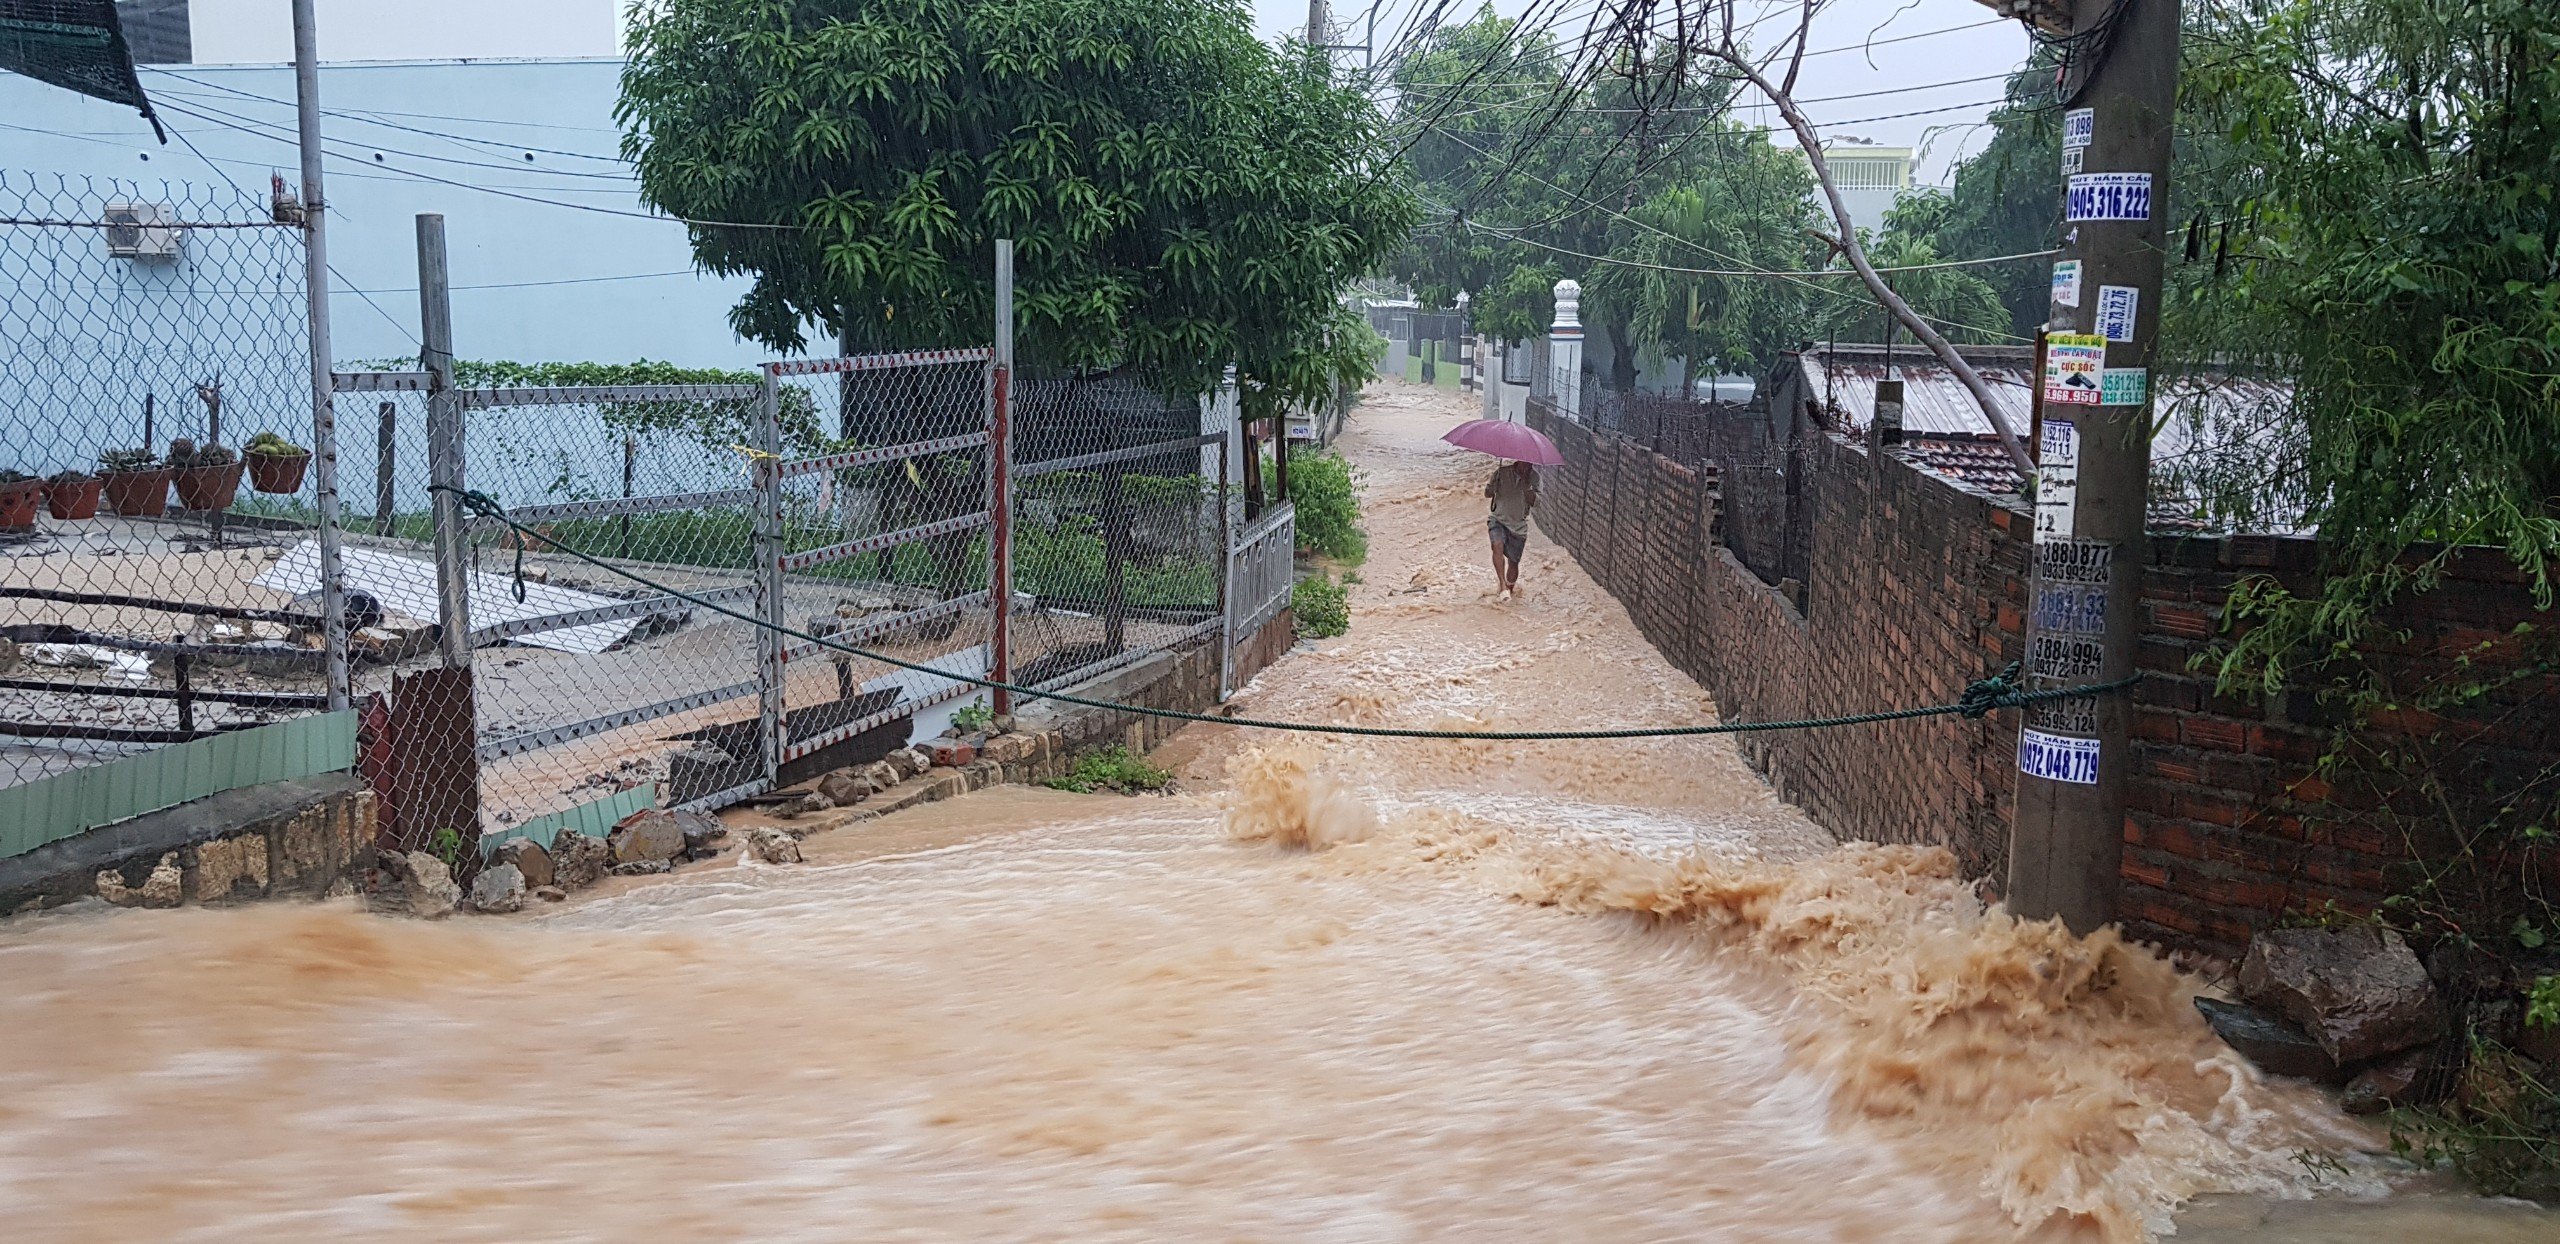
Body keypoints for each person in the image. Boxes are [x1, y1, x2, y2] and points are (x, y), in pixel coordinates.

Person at [1484, 460, 1537, 599]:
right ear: (1518, 461)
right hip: (1498, 519)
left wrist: (1528, 488)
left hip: (1518, 526)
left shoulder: (1534, 477)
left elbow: (1535, 503)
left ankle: (1509, 589)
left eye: (1529, 464)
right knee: (1497, 545)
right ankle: (1502, 584)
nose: (1527, 466)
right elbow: (1487, 494)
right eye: (1524, 463)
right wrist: (1493, 487)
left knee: (1514, 563)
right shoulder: (1501, 472)